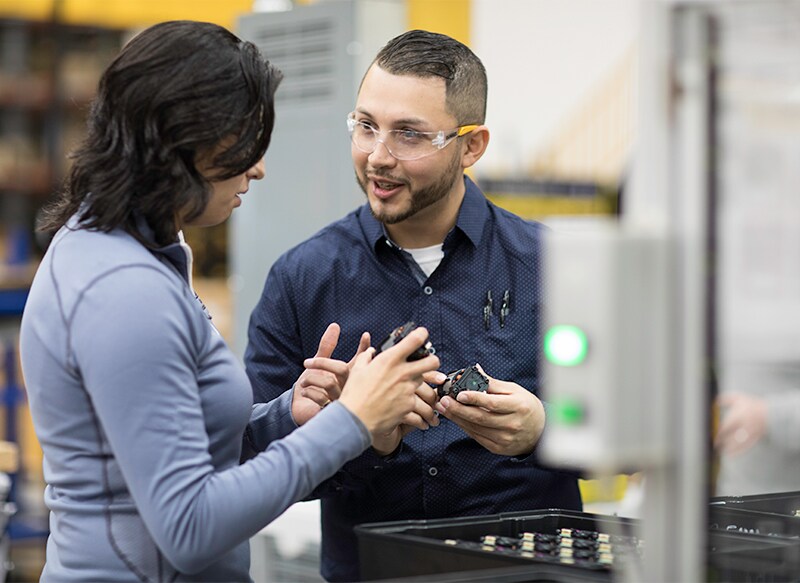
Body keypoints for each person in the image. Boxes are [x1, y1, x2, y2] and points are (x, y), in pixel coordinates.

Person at [18, 20, 440, 582]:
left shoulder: (130, 253)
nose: (259, 166)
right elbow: (190, 527)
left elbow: (183, 447)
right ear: (186, 141)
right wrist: (350, 422)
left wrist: (290, 416)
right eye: (246, 142)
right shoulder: (123, 291)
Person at [245, 29, 583, 582]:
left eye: (409, 135)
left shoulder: (553, 267)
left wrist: (544, 430)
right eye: (366, 126)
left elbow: (642, 430)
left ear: (471, 146)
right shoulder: (302, 278)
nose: (378, 157)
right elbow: (250, 466)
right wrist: (353, 435)